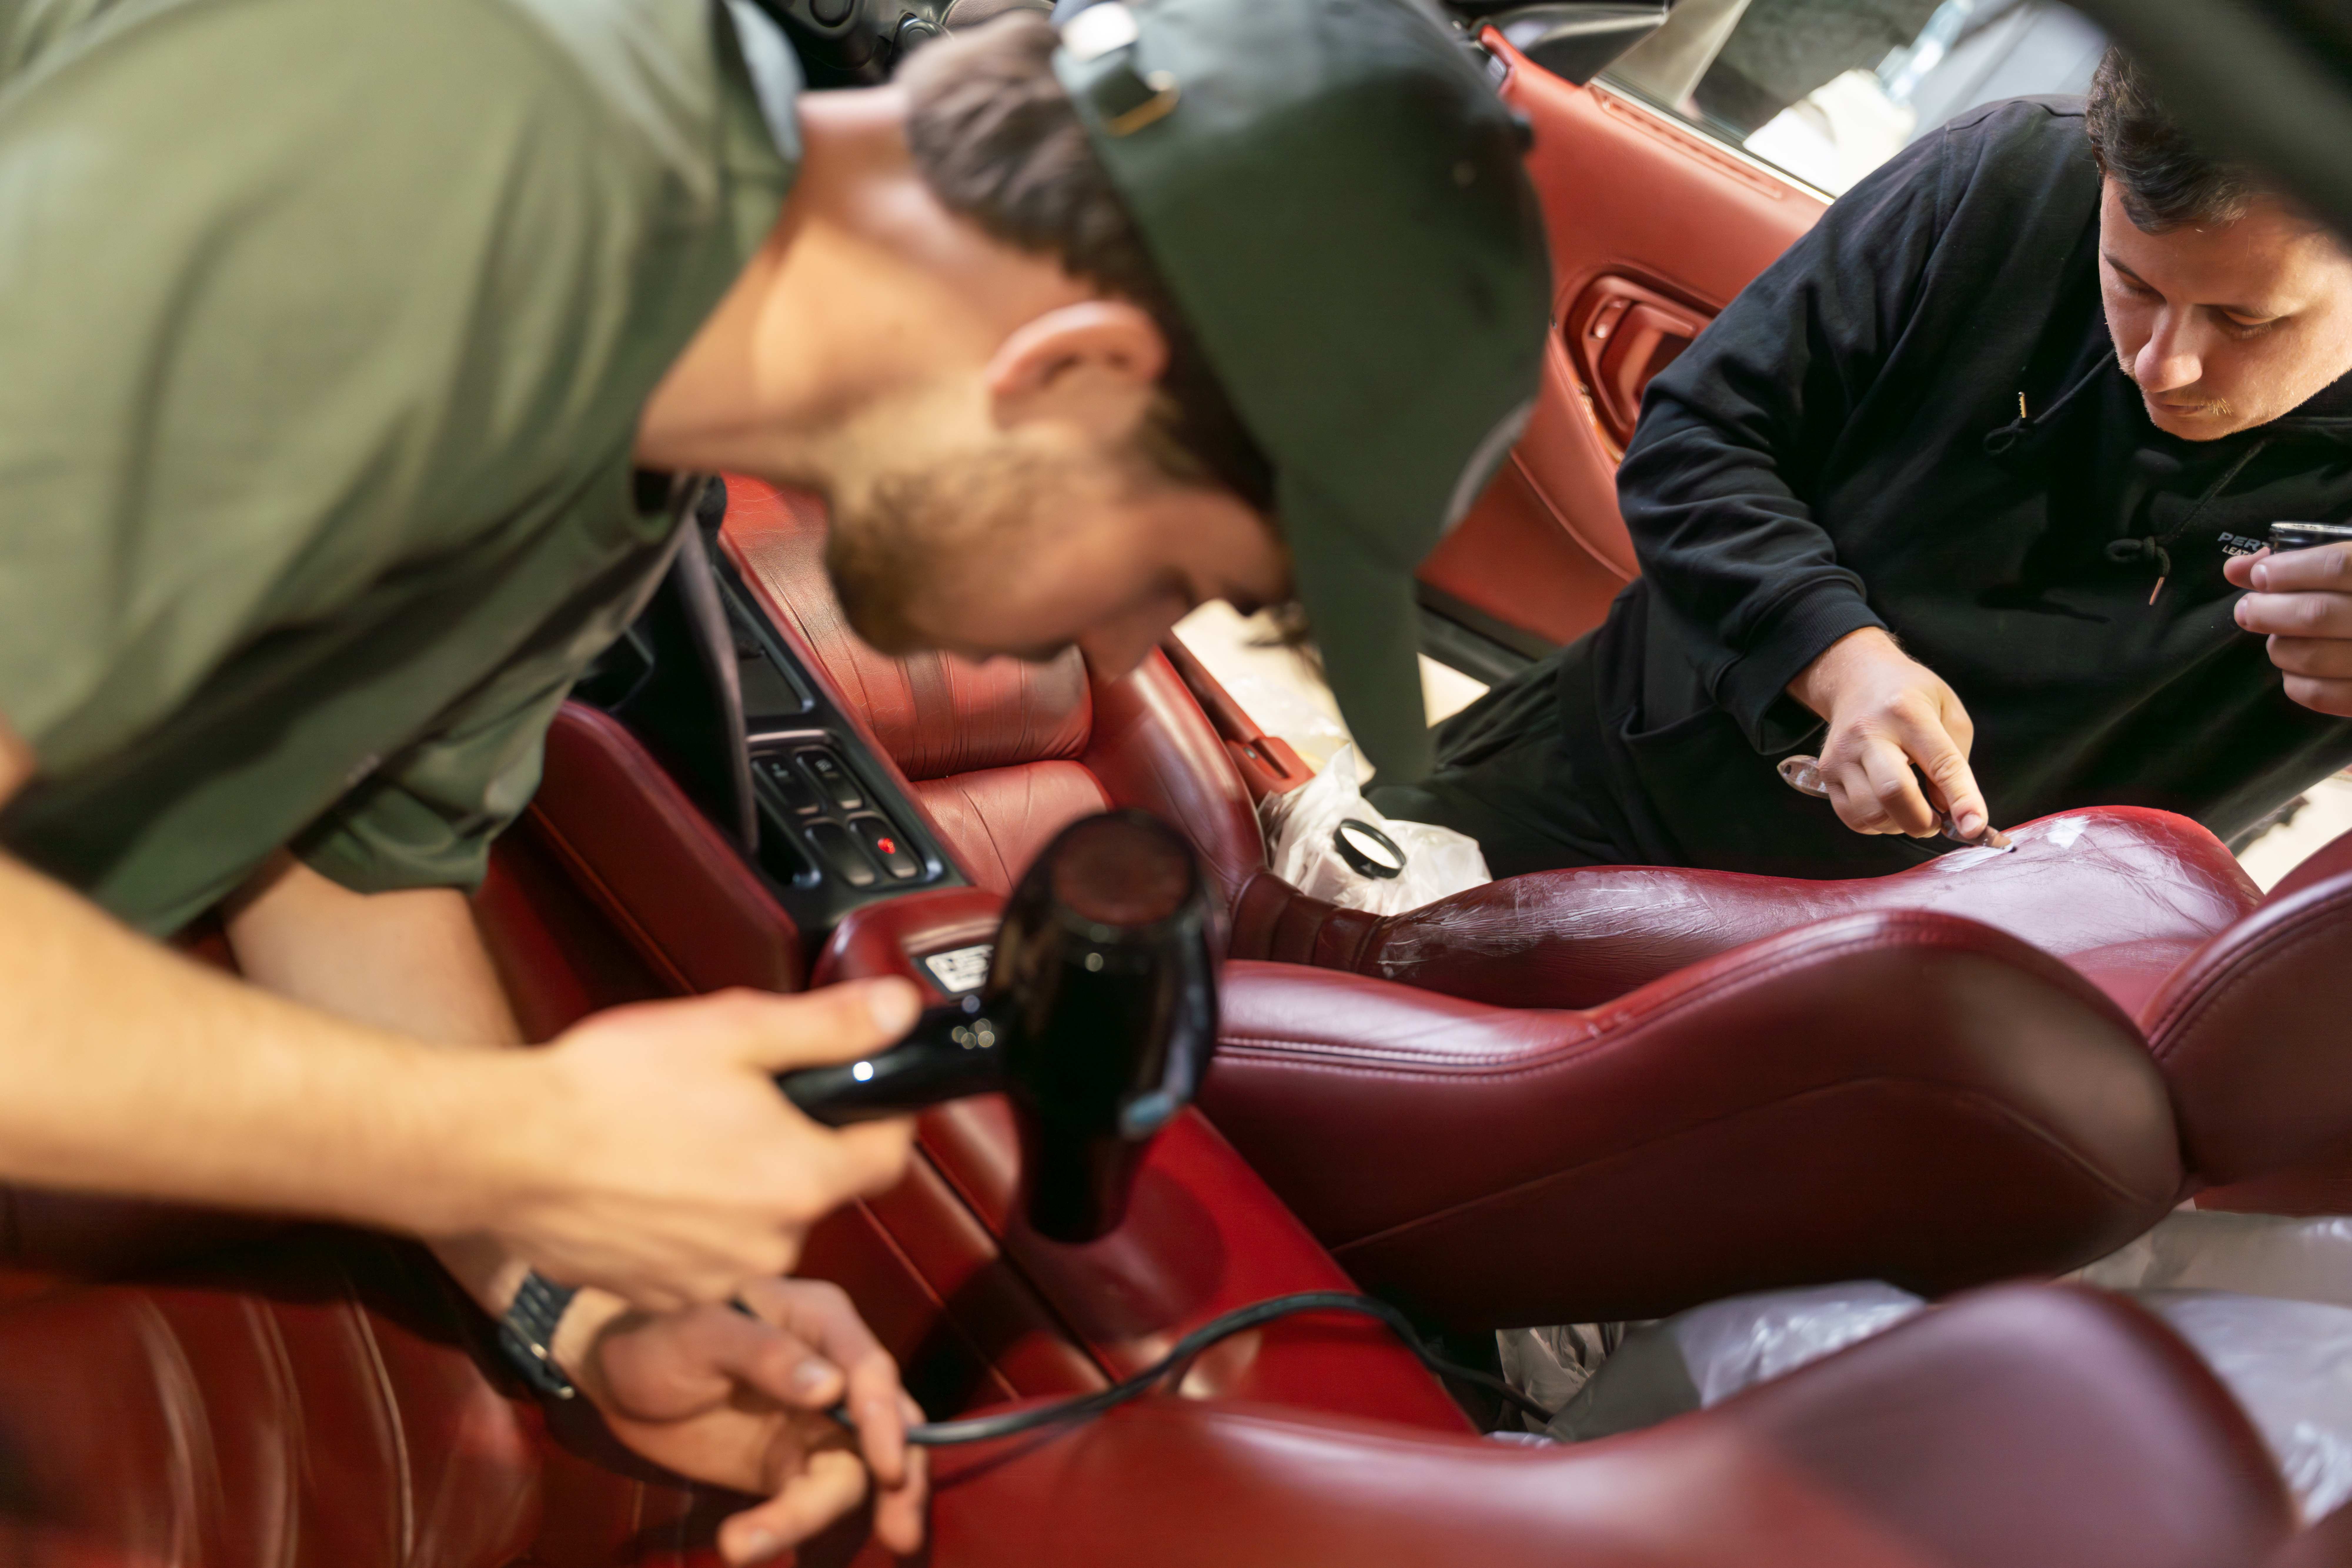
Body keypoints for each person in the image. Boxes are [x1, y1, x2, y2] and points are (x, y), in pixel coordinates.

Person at [0, 0, 1547, 1557]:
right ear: (1073, 369)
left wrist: (586, 1297)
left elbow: (343, 862)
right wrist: (498, 1136)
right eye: (1169, 570)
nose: (1123, 641)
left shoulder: (630, 415)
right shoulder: (450, 140)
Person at [1372, 47, 2352, 880]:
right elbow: (1700, 436)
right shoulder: (2000, 177)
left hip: (1959, 976)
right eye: (2128, 282)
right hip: (1617, 782)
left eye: (2244, 320)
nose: (2161, 363)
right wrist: (1836, 659)